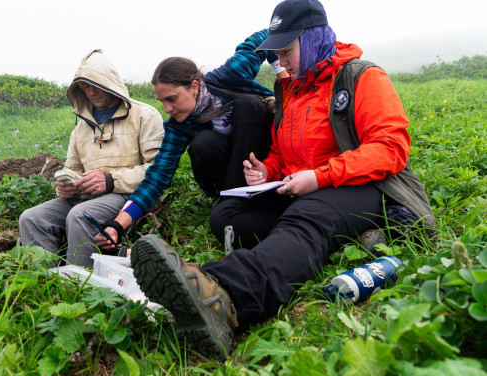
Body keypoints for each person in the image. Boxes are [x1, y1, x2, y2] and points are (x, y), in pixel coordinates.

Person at [127, 0, 436, 360]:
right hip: (304, 188)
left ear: (314, 38)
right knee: (226, 218)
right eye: (276, 52)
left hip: (358, 185)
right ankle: (335, 240)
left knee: (305, 221)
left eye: (286, 50)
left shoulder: (361, 75)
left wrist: (319, 177)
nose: (280, 62)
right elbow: (281, 152)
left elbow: (391, 148)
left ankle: (226, 293)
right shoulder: (291, 89)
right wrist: (268, 172)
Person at [94, 29, 289, 252]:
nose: (167, 109)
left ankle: (238, 203)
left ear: (194, 87)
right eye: (162, 101)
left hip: (267, 151)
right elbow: (157, 177)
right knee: (203, 142)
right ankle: (234, 200)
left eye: (172, 99)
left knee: (248, 105)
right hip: (236, 174)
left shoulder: (229, 77)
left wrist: (282, 76)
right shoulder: (178, 126)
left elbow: (266, 35)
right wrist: (117, 225)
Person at [19, 49, 164, 267]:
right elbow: (73, 169)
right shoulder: (81, 128)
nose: (92, 92)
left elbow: (157, 169)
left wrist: (109, 181)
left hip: (128, 195)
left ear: (111, 82)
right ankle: (44, 279)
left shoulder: (145, 115)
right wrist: (66, 187)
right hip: (87, 197)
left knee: (80, 215)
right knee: (31, 218)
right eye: (85, 86)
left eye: (96, 85)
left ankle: (79, 284)